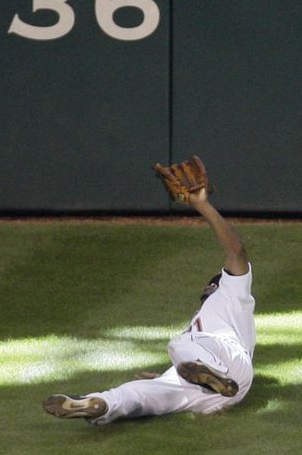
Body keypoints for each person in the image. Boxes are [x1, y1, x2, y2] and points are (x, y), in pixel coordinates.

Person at [43, 178, 256, 425]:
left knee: (181, 343)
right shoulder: (209, 314)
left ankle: (205, 370)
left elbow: (236, 250)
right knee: (143, 392)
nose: (206, 288)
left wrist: (202, 205)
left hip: (225, 359)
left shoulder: (233, 294)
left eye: (211, 283)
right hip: (227, 392)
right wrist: (181, 373)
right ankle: (100, 403)